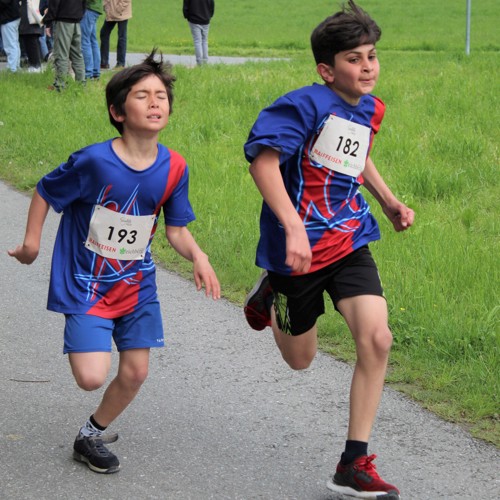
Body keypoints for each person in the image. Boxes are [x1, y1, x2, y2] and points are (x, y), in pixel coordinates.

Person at [8, 49, 221, 474]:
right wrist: (31, 244)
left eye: (160, 95)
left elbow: (175, 229)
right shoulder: (94, 161)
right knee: (90, 375)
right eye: (142, 95)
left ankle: (90, 434)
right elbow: (47, 191)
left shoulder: (175, 166)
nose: (155, 102)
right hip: (87, 281)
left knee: (136, 372)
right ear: (117, 111)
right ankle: (90, 397)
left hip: (137, 283)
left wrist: (198, 255)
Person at [243, 1, 414, 498]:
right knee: (301, 360)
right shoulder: (302, 106)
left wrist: (387, 201)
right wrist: (293, 228)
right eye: (354, 59)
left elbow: (356, 157)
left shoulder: (370, 107)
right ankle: (270, 292)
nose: (367, 67)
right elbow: (264, 162)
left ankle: (353, 463)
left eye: (372, 56)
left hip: (349, 238)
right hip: (297, 251)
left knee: (377, 339)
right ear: (326, 69)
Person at [43, 0, 86, 90]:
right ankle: (81, 85)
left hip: (63, 19)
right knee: (77, 55)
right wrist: (80, 14)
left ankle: (60, 86)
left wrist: (48, 20)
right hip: (76, 19)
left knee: (61, 54)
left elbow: (55, 2)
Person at [100, 0, 131, 70]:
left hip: (121, 12)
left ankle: (120, 64)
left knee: (121, 37)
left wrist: (118, 8)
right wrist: (106, 7)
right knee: (104, 33)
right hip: (111, 12)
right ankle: (104, 62)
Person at [183, 0, 214, 66]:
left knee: (197, 41)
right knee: (204, 40)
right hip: (206, 19)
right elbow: (212, 5)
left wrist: (187, 17)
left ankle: (199, 63)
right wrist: (209, 16)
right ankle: (205, 61)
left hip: (194, 20)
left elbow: (186, 7)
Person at [19, 0, 44, 72]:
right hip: (28, 17)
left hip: (31, 17)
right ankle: (33, 65)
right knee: (29, 43)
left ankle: (36, 66)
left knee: (32, 43)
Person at [80, 0, 102, 80]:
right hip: (95, 9)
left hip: (89, 8)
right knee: (93, 41)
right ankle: (96, 71)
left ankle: (88, 73)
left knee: (85, 41)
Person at [0, 0, 21, 72]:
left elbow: (3, 2)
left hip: (8, 18)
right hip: (13, 16)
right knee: (14, 43)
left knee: (10, 45)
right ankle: (16, 66)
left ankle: (12, 68)